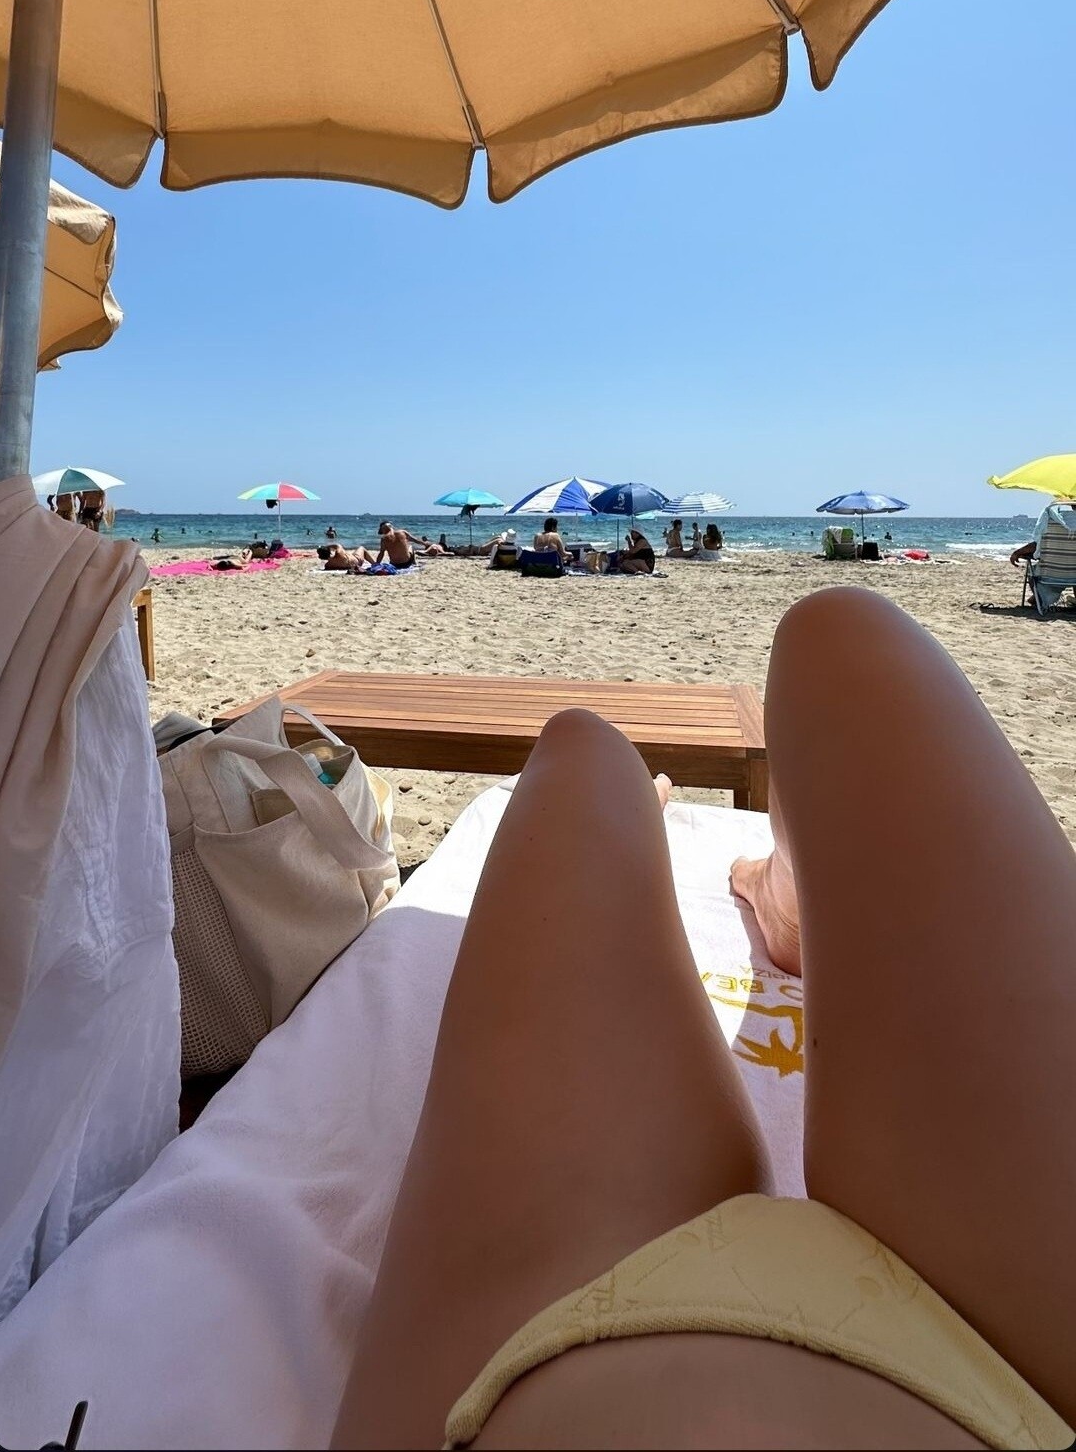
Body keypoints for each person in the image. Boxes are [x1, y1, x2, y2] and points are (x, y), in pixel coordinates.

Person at [332, 588, 1076, 1451]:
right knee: (837, 637)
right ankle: (769, 884)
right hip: (1034, 1375)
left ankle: (672, 841)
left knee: (584, 749)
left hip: (534, 1377)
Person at [1009, 500, 1076, 599]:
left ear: (1071, 504)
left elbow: (1038, 544)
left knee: (1032, 571)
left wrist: (1017, 553)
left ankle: (1039, 599)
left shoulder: (1050, 520)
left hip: (1050, 575)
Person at [376, 522, 443, 567]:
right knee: (410, 546)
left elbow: (381, 553)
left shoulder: (383, 539)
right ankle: (414, 563)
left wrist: (377, 564)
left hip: (394, 564)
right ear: (391, 527)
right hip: (407, 563)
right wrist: (425, 544)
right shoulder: (402, 532)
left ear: (383, 530)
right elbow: (415, 540)